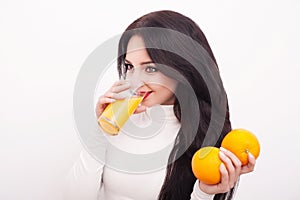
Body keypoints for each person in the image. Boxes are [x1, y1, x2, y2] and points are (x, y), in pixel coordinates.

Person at [65, 10, 256, 200]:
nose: (135, 80)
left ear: (183, 68)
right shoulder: (118, 119)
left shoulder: (206, 138)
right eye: (130, 66)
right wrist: (100, 132)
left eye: (150, 68)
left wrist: (204, 193)